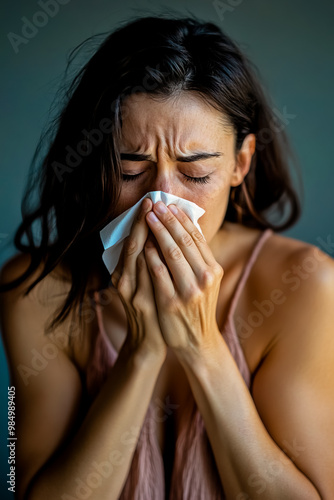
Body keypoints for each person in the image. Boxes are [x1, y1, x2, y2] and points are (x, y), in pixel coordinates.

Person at [0, 15, 333, 500]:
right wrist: (144, 349)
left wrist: (202, 346)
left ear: (240, 164)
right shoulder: (34, 291)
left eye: (195, 175)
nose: (159, 201)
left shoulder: (307, 285)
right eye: (131, 168)